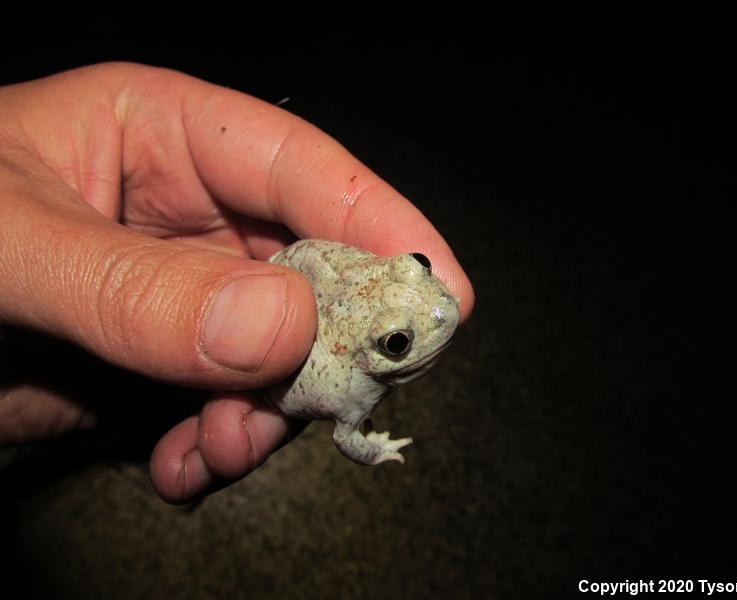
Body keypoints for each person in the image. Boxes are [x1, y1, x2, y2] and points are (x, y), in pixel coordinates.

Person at [0, 63, 474, 503]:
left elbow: (308, 257)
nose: (442, 307)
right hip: (269, 351)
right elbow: (347, 436)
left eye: (419, 264)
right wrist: (375, 448)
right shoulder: (345, 377)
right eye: (397, 341)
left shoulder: (351, 289)